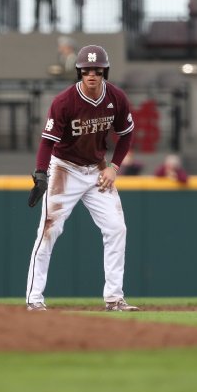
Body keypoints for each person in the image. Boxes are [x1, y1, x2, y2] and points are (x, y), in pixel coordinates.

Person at [26, 44, 139, 312]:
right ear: (79, 72)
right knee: (49, 231)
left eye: (97, 70)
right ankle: (34, 299)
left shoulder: (116, 97)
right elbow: (46, 141)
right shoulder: (64, 102)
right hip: (65, 168)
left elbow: (126, 134)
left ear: (104, 72)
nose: (92, 74)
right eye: (86, 70)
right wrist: (42, 173)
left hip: (98, 169)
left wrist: (114, 167)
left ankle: (114, 298)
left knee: (116, 228)